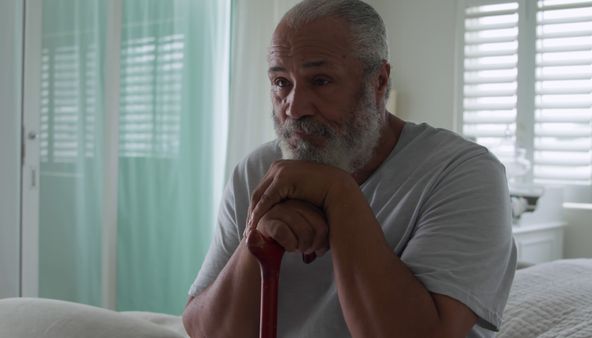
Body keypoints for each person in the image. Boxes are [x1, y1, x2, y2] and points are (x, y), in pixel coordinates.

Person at [182, 0, 517, 337]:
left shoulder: (462, 173)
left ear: (379, 82)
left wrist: (338, 193)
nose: (295, 108)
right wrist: (257, 242)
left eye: (321, 81)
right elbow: (204, 331)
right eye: (282, 83)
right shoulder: (257, 171)